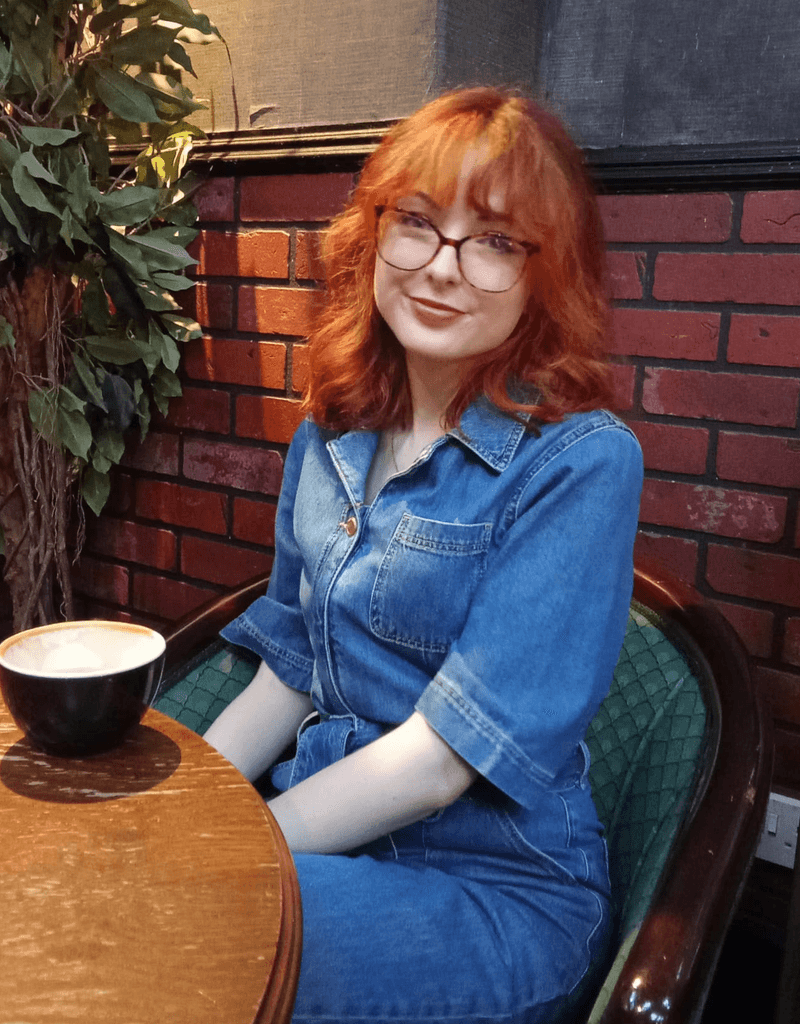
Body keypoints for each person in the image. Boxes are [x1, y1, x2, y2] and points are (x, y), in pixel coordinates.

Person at [204, 86, 643, 1024]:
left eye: (493, 241)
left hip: (492, 891)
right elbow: (291, 671)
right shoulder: (329, 435)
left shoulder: (581, 462)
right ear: (373, 239)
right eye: (416, 224)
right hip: (324, 845)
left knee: (183, 932)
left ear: (543, 273)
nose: (441, 269)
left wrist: (219, 855)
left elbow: (446, 762)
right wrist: (176, 817)